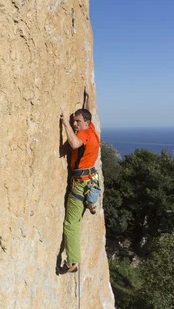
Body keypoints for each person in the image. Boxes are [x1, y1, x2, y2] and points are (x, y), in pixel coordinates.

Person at [59, 87, 101, 274]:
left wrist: (66, 125)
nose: (75, 123)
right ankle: (91, 204)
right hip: (92, 177)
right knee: (87, 198)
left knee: (71, 224)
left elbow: (74, 143)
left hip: (81, 182)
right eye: (73, 121)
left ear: (85, 123)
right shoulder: (90, 128)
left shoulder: (83, 134)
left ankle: (73, 262)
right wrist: (88, 96)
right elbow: (89, 111)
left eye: (77, 121)